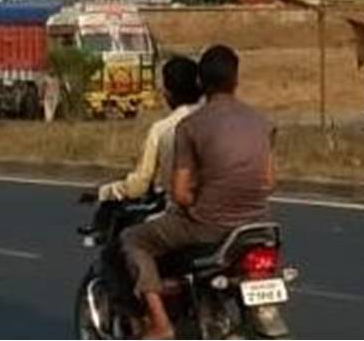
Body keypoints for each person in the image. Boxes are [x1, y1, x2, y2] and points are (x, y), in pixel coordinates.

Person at [121, 45, 275, 339]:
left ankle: (160, 324)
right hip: (258, 224)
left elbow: (179, 193)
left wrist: (201, 202)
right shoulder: (262, 122)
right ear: (236, 79)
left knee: (133, 239)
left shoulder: (190, 127)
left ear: (201, 84)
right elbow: (268, 181)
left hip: (206, 227)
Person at [93, 56, 202, 202]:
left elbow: (139, 184)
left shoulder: (161, 130)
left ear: (168, 93)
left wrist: (106, 191)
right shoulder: (217, 120)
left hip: (179, 208)